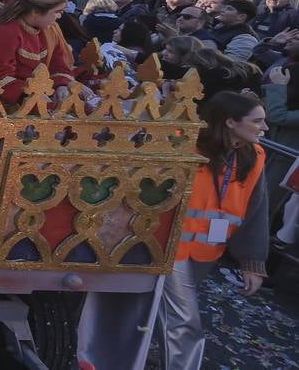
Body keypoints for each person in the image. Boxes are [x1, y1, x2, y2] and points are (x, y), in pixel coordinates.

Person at [77, 91, 268, 370]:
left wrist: (253, 262)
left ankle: (99, 360)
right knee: (182, 321)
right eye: (257, 121)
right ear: (230, 122)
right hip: (159, 245)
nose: (264, 128)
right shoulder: (182, 145)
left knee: (139, 309)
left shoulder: (256, 156)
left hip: (203, 252)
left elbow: (256, 210)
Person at [0, 0, 81, 105]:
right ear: (35, 11)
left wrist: (61, 85)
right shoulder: (6, 32)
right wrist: (32, 95)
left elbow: (58, 64)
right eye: (57, 12)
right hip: (6, 105)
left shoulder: (48, 30)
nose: (59, 17)